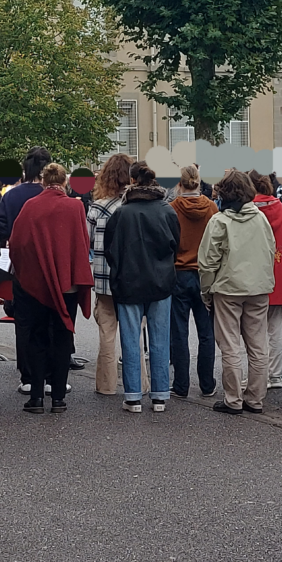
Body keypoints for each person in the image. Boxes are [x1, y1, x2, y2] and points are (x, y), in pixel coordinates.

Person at [9, 163, 94, 414]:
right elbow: (82, 243)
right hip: (67, 283)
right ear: (65, 182)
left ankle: (36, 397)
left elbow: (17, 243)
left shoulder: (30, 206)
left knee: (37, 337)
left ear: (44, 182)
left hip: (37, 284)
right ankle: (58, 397)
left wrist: (28, 271)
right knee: (62, 337)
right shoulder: (75, 207)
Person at [104, 161, 180, 413]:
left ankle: (133, 396)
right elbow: (175, 245)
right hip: (161, 280)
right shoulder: (167, 211)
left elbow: (110, 249)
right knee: (160, 339)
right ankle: (159, 396)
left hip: (128, 281)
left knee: (130, 340)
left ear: (132, 181)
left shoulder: (122, 213)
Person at [199, 171, 276, 415]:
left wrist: (206, 291)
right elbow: (271, 249)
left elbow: (207, 262)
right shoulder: (261, 219)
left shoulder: (219, 221)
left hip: (228, 288)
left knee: (230, 346)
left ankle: (233, 399)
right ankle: (255, 398)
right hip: (259, 287)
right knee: (258, 345)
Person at [87, 153, 151, 395]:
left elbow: (87, 241)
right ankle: (140, 383)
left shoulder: (97, 208)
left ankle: (106, 385)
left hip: (104, 280)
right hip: (133, 279)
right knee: (134, 333)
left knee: (107, 333)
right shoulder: (138, 207)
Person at [0, 146, 51, 393]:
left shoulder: (11, 196)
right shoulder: (54, 196)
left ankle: (27, 376)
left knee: (24, 321)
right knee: (50, 320)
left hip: (20, 266)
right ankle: (50, 374)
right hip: (49, 266)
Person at [168, 165, 218, 399]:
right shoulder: (212, 208)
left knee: (179, 332)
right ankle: (207, 384)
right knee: (206, 332)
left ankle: (181, 384)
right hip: (205, 273)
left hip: (179, 272)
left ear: (179, 184)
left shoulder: (172, 209)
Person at [249, 171, 282, 389]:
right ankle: (276, 374)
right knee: (276, 327)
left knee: (254, 330)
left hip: (256, 273)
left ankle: (258, 375)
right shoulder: (281, 208)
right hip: (279, 271)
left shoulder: (249, 210)